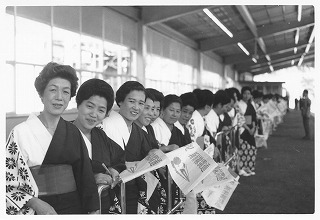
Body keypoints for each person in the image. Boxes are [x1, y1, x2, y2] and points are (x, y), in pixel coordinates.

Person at [6, 62, 99, 215]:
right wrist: (35, 203)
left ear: (70, 97)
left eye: (65, 92)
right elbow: (8, 180)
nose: (59, 97)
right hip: (37, 208)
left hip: (74, 207)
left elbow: (85, 175)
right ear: (42, 94)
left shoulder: (73, 132)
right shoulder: (21, 132)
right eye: (53, 90)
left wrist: (92, 210)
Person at [101, 81, 155, 214]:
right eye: (132, 101)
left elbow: (146, 154)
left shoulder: (138, 131)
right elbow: (103, 162)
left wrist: (153, 152)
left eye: (141, 103)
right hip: (113, 191)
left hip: (133, 190)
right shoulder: (106, 125)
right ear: (120, 101)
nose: (136, 107)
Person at [73, 79, 126, 214]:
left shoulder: (101, 136)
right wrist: (91, 180)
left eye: (101, 110)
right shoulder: (64, 134)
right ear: (78, 104)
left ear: (106, 114)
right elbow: (60, 175)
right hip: (75, 207)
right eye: (89, 106)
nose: (94, 114)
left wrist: (113, 170)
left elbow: (119, 159)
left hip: (103, 206)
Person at [237, 86, 257, 177]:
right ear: (242, 94)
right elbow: (240, 118)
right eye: (245, 93)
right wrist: (248, 128)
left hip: (250, 129)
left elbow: (254, 117)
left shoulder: (251, 104)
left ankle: (250, 168)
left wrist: (253, 127)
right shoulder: (239, 104)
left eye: (248, 93)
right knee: (243, 149)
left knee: (252, 148)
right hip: (243, 129)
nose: (246, 95)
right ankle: (242, 168)